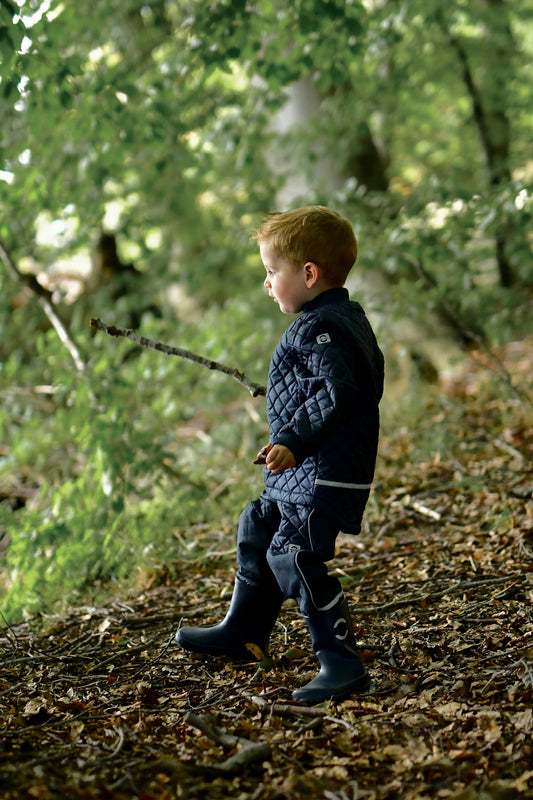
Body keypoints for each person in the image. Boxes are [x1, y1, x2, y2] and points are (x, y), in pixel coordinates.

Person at [175, 206, 384, 705]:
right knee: (259, 525)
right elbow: (319, 391)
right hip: (306, 470)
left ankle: (341, 661)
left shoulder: (323, 327)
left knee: (293, 554)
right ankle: (244, 630)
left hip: (325, 473)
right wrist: (287, 440)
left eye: (272, 271)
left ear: (308, 274)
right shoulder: (330, 320)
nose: (266, 283)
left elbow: (336, 391)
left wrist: (294, 439)